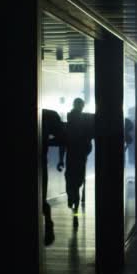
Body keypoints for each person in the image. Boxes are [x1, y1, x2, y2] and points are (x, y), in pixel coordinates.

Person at [58, 98, 95, 227]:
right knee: (77, 185)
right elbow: (89, 144)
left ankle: (72, 203)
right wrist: (85, 153)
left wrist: (61, 160)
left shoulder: (69, 123)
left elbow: (63, 144)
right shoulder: (86, 124)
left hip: (71, 158)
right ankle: (75, 213)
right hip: (80, 159)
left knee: (71, 183)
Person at [42, 109, 66, 246]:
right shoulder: (49, 115)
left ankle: (49, 222)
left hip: (39, 163)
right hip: (40, 162)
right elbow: (62, 138)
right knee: (41, 198)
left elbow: (62, 138)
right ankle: (48, 222)